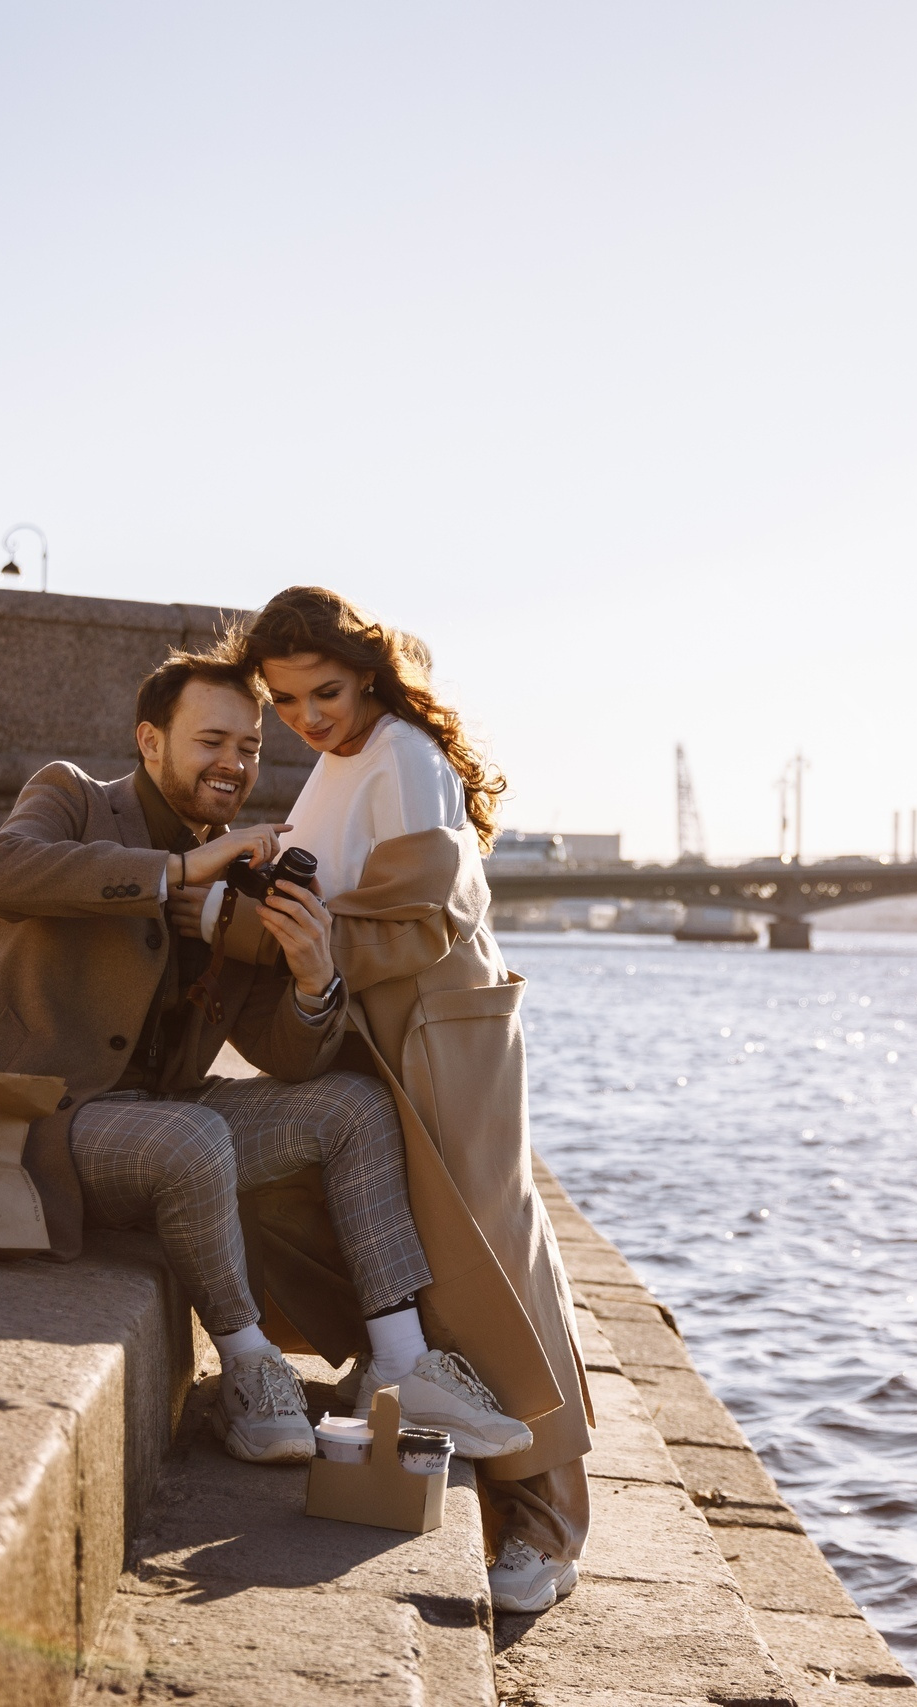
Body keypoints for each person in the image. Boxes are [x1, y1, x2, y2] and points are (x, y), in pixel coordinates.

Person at [0, 636, 531, 1465]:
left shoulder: (244, 874)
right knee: (192, 1136)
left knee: (354, 1107)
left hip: (157, 1124)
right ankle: (251, 1366)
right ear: (151, 741)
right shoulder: (74, 797)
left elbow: (284, 1053)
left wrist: (314, 977)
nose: (234, 763)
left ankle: (401, 1364)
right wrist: (176, 870)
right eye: (211, 741)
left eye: (249, 746)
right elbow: (2, 872)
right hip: (28, 1119)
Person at [215, 587, 592, 1616]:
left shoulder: (406, 756)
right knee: (427, 1256)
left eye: (326, 692)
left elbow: (424, 920)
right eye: (287, 700)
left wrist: (258, 926)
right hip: (390, 1029)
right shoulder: (343, 759)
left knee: (489, 1264)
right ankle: (461, 1449)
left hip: (442, 1029)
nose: (307, 716)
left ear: (368, 675)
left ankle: (549, 1527)